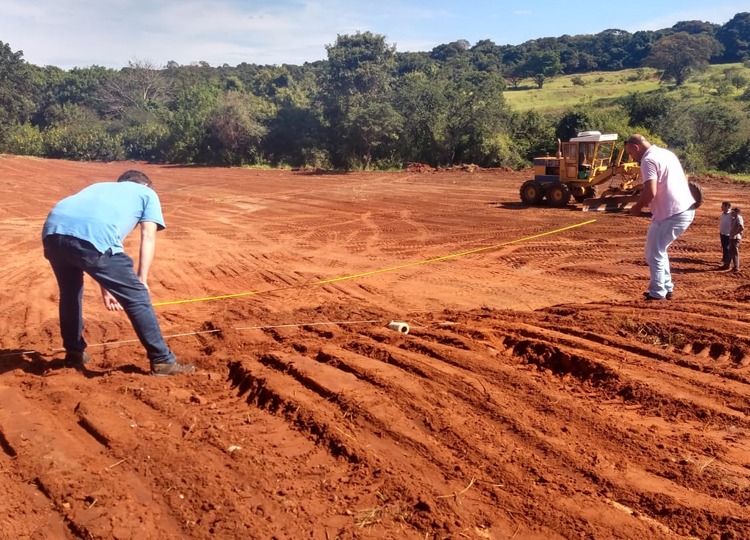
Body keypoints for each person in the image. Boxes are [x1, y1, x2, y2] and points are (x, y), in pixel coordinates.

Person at [42, 170, 195, 376]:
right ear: (146, 185)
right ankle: (162, 361)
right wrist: (142, 279)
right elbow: (147, 236)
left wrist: (107, 289)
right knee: (137, 297)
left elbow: (103, 244)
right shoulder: (147, 193)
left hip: (53, 233)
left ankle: (74, 353)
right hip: (92, 237)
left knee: (70, 294)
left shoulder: (98, 187)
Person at [626, 134, 696, 301]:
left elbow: (651, 192)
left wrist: (636, 207)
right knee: (658, 250)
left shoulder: (648, 160)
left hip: (672, 213)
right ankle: (666, 287)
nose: (632, 158)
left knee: (653, 252)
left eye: (631, 153)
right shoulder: (666, 153)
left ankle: (657, 293)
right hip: (680, 210)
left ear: (636, 147)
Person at [728, 206, 744, 272]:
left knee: (734, 252)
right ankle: (728, 265)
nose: (731, 213)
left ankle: (736, 267)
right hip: (733, 237)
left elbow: (741, 227)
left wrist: (734, 234)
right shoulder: (735, 218)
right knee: (731, 252)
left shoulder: (739, 218)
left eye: (733, 212)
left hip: (735, 238)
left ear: (737, 212)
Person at [719, 201, 733, 269]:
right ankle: (724, 259)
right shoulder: (723, 214)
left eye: (723, 206)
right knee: (724, 247)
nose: (721, 207)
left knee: (727, 248)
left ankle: (728, 261)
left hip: (728, 234)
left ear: (727, 206)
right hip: (722, 232)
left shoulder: (731, 214)